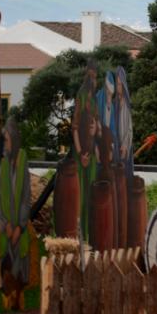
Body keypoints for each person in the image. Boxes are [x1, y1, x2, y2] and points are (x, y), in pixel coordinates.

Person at [0, 119, 31, 310]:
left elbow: (26, 198)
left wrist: (20, 225)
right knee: (5, 255)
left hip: (19, 224)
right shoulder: (3, 165)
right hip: (6, 224)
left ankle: (18, 295)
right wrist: (6, 224)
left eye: (7, 140)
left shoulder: (22, 162)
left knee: (20, 251)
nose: (5, 144)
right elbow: (0, 196)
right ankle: (6, 294)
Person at [71, 62, 99, 241]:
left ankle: (91, 233)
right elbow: (74, 127)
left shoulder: (94, 99)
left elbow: (95, 123)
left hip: (92, 150)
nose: (95, 80)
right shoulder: (81, 97)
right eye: (94, 76)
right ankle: (79, 234)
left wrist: (97, 130)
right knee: (80, 193)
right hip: (81, 152)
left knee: (92, 192)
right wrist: (81, 153)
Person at [115, 67, 134, 181]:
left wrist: (125, 145)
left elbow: (129, 128)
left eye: (120, 84)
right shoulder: (115, 103)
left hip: (125, 145)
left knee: (125, 174)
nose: (118, 87)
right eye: (117, 84)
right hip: (116, 145)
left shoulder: (126, 104)